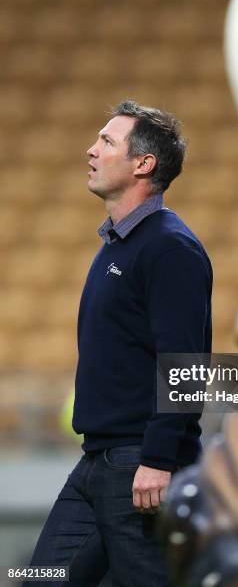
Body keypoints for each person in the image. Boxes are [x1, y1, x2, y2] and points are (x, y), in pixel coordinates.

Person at [26, 101, 212, 587]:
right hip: (96, 465)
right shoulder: (118, 244)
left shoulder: (170, 248)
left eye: (107, 141)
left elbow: (187, 365)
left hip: (139, 468)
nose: (91, 150)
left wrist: (158, 458)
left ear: (143, 164)